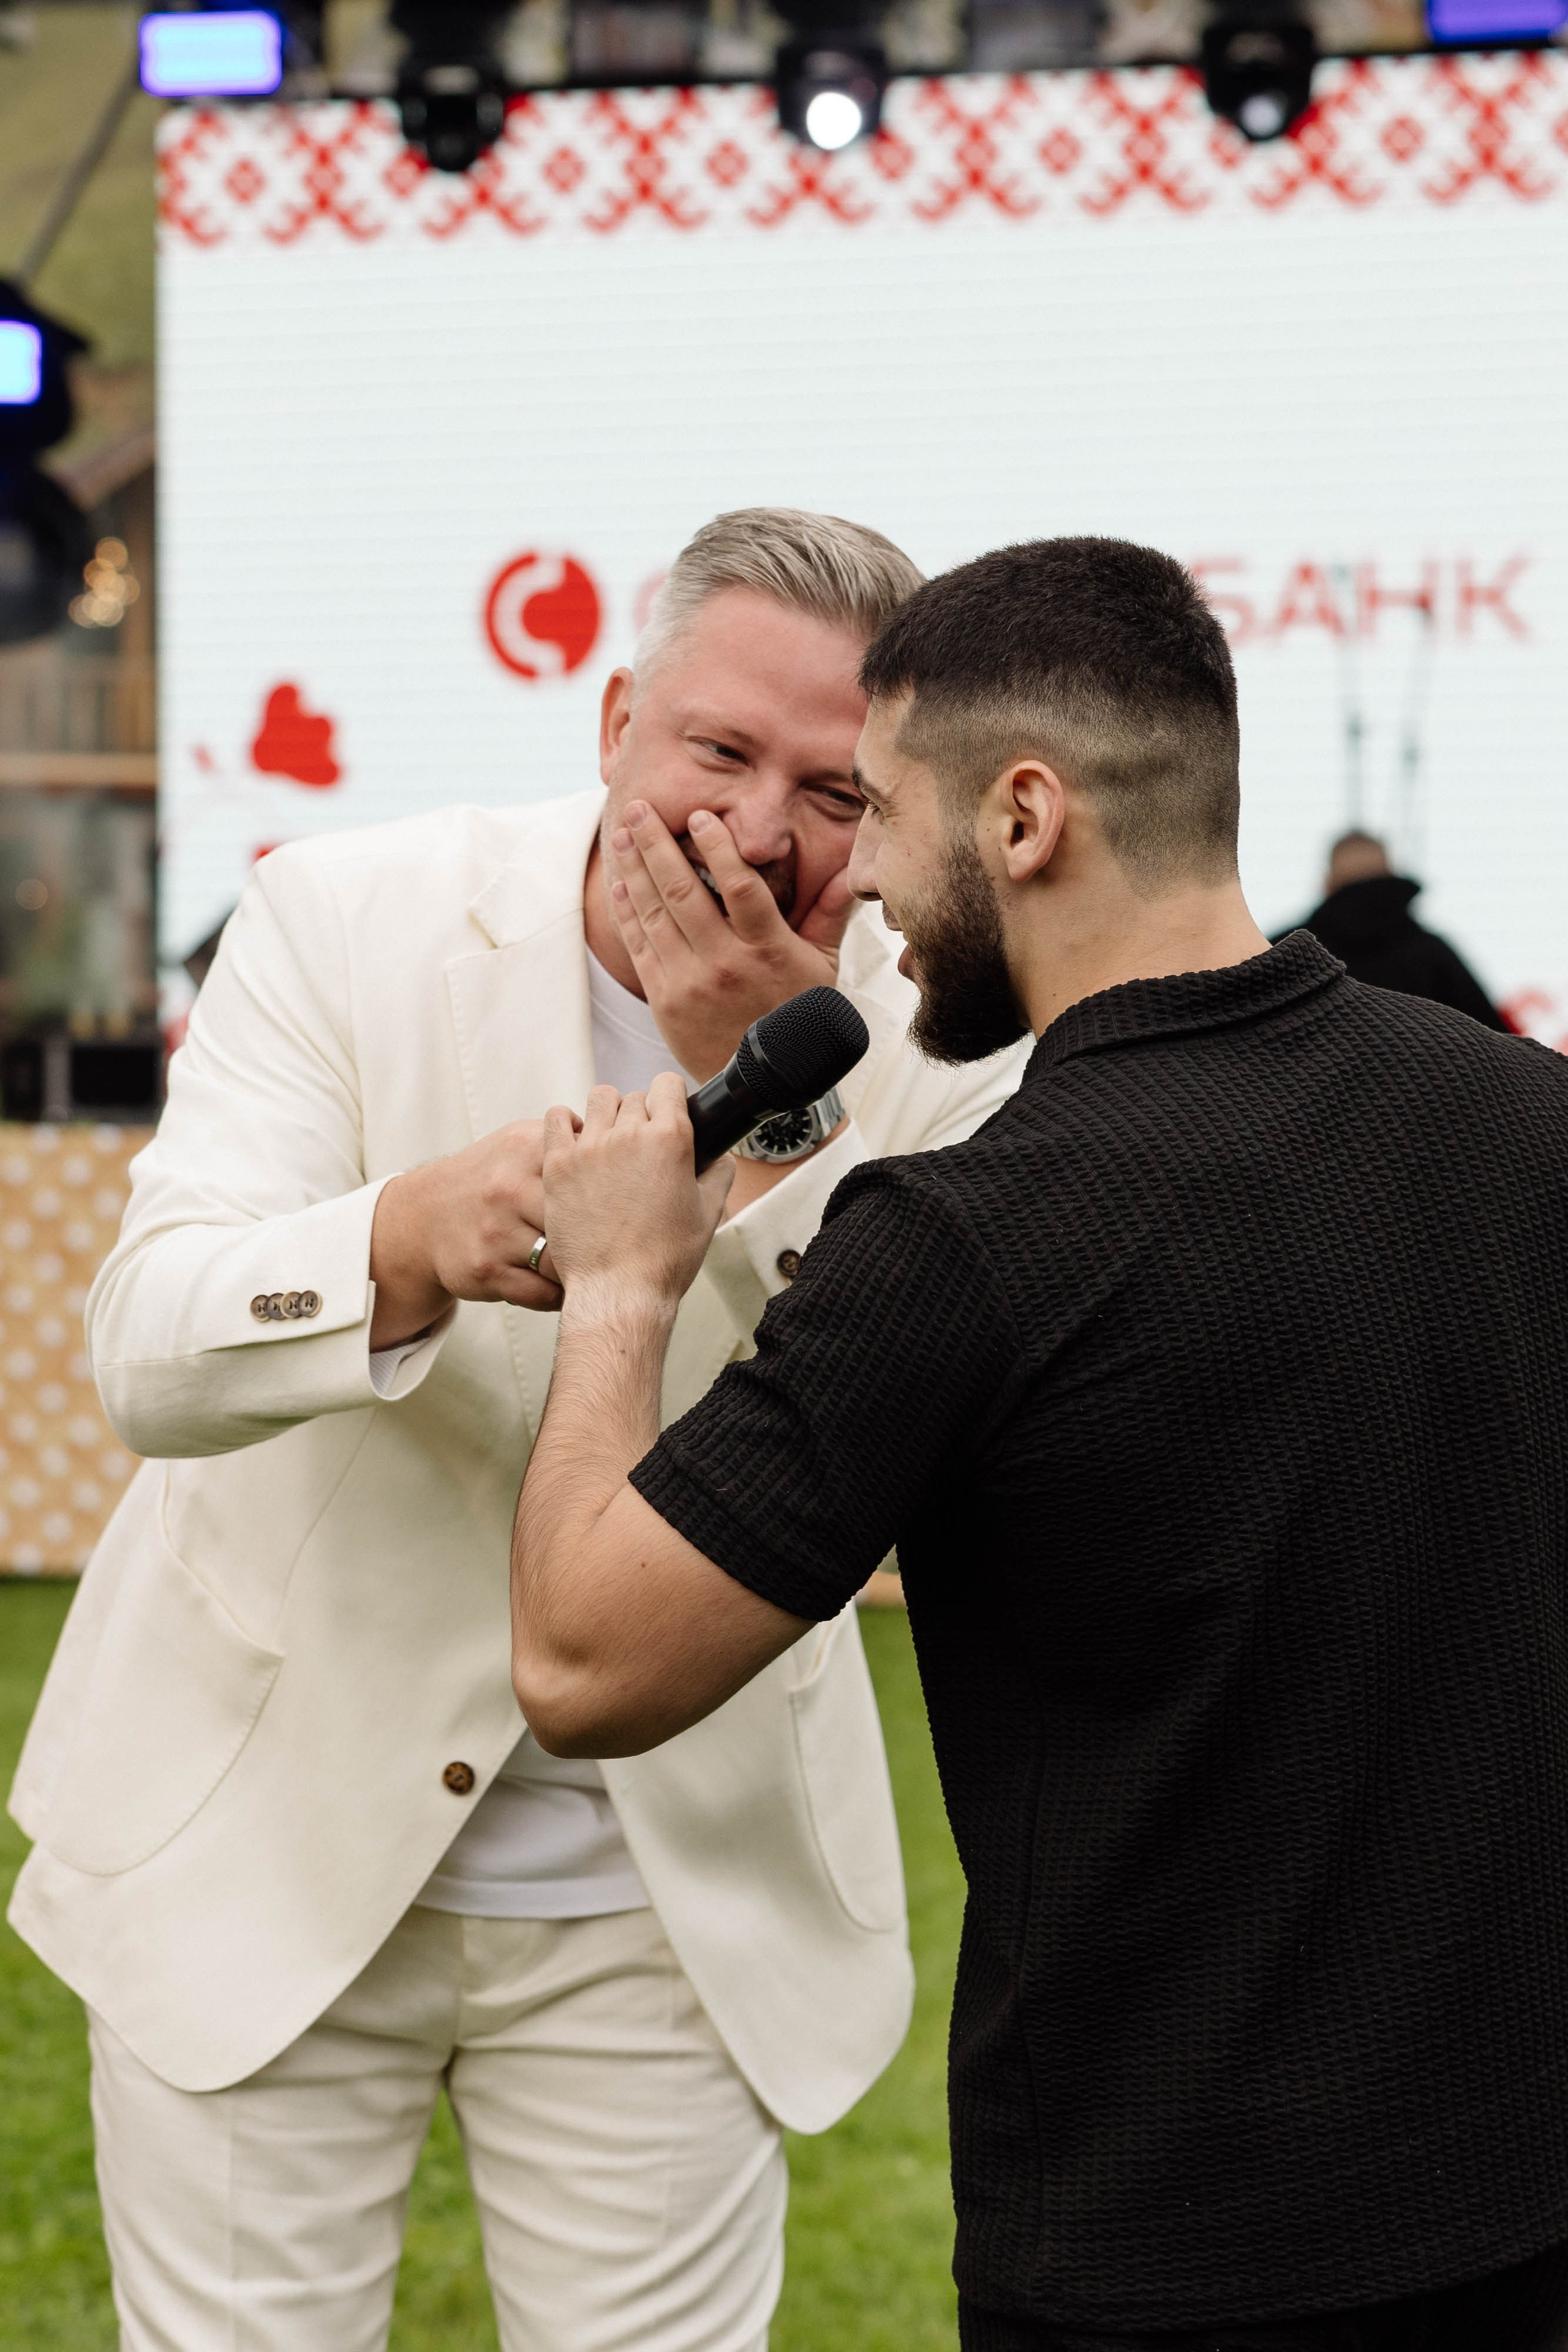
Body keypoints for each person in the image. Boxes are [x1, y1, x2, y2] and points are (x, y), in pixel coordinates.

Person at [511, 536, 1568, 2351]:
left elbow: (583, 1654)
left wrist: (620, 1282)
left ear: (1021, 817)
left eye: (880, 809)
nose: (853, 883)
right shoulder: (1527, 1118)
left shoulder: (960, 1240)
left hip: (1161, 2257)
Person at [6, 508, 1031, 2352]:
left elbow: (934, 1427)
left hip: (669, 1880)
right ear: (615, 716)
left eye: (830, 787)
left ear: (895, 806)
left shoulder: (933, 1027)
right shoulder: (343, 911)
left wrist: (789, 1115)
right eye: (715, 751)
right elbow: (149, 1353)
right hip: (265, 1820)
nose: (759, 829)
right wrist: (404, 1237)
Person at [1288, 827, 1509, 1029]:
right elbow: (1494, 1040)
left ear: (1327, 882)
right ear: (1389, 873)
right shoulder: (1433, 954)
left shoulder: (1288, 953)